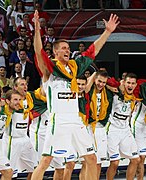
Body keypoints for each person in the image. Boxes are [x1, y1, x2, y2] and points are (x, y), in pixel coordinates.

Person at [32, 10, 120, 180]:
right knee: (45, 161)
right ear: (55, 52)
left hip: (76, 120)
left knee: (92, 158)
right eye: (63, 48)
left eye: (68, 48)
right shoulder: (49, 70)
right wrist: (37, 29)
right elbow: (38, 51)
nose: (67, 50)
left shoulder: (74, 68)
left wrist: (107, 32)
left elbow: (92, 51)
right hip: (58, 121)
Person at [106, 72, 140, 180]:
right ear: (124, 83)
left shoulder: (136, 97)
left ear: (135, 85)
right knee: (115, 162)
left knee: (136, 159)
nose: (130, 85)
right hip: (112, 129)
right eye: (128, 83)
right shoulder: (115, 92)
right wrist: (115, 86)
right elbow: (105, 81)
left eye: (132, 83)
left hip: (126, 130)